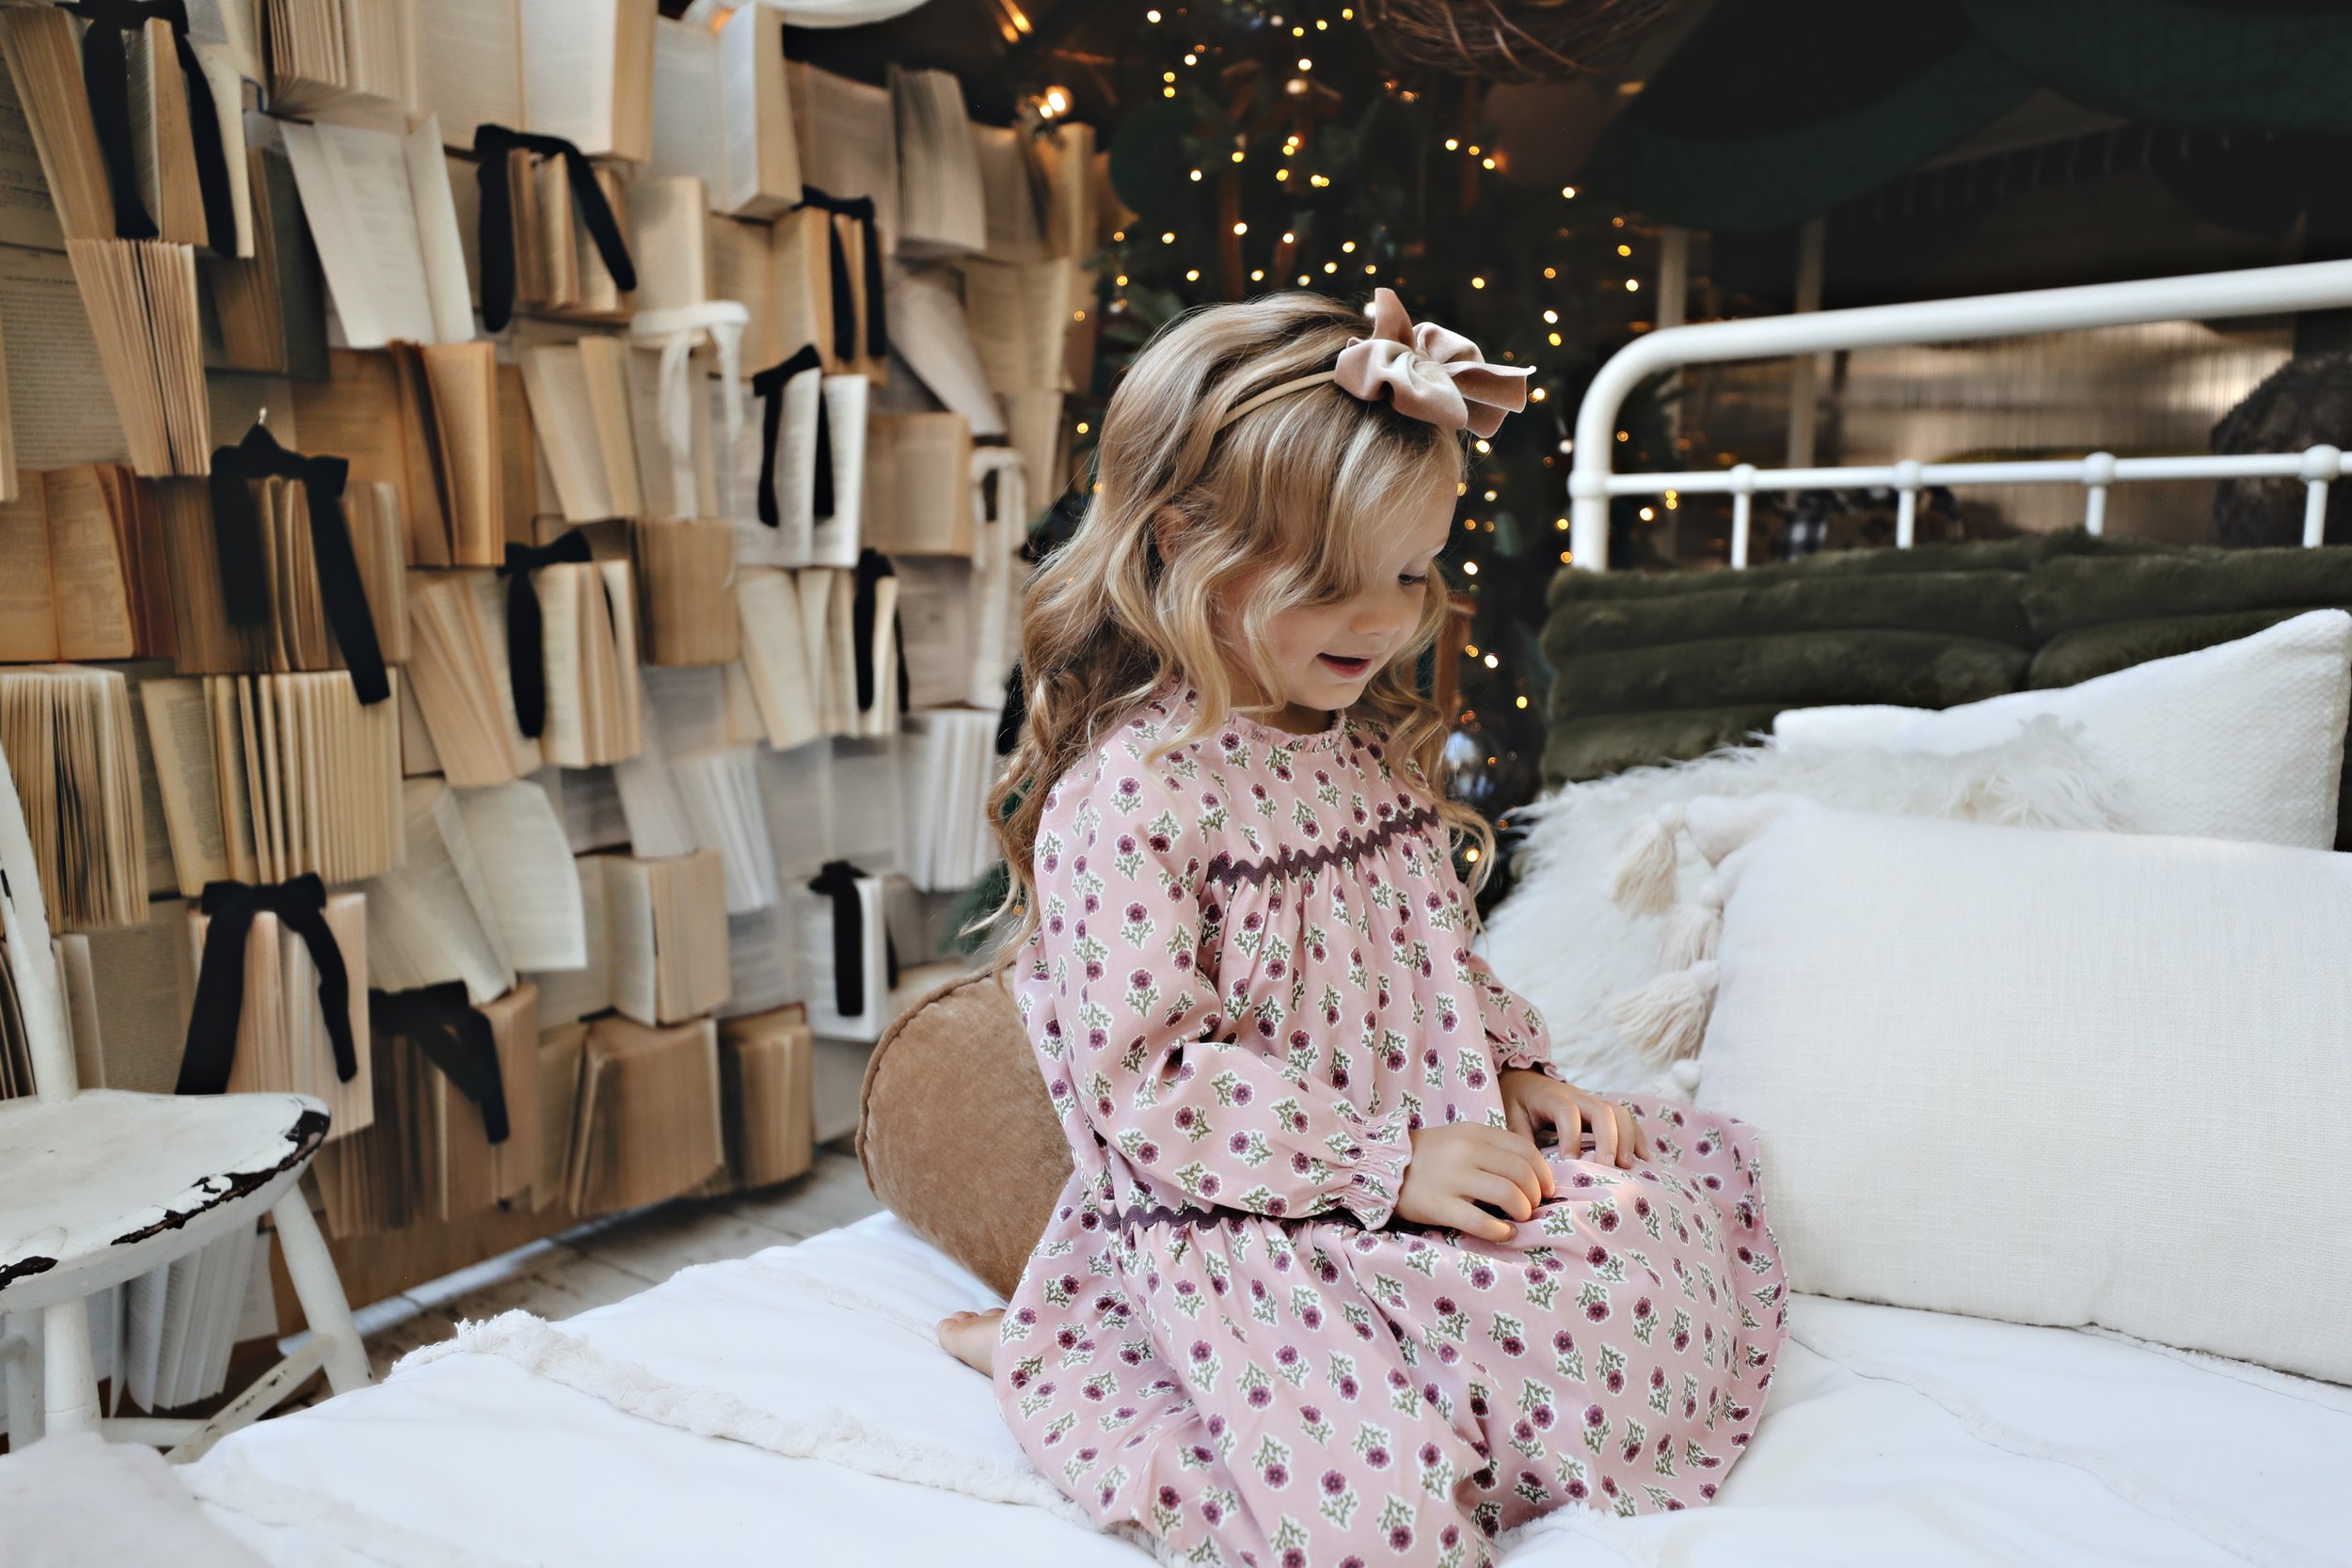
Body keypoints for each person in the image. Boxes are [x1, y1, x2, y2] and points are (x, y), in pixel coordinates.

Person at [937, 289, 1787, 1565]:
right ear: (1182, 545)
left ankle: (1144, 1342)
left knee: (1662, 1227)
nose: (1387, 622)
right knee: (1372, 1523)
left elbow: (1432, 952)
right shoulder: (1133, 799)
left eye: (1411, 573)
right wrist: (1386, 1165)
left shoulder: (1361, 755)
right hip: (1253, 1216)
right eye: (1336, 584)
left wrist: (1515, 1071)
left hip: (1414, 1167)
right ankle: (1081, 1354)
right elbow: (1153, 1086)